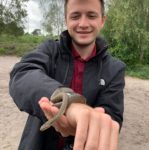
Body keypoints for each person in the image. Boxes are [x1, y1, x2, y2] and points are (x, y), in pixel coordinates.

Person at [9, 0, 126, 149]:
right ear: (66, 20)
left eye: (91, 16)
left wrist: (89, 124)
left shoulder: (116, 69)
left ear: (102, 20)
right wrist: (70, 105)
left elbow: (112, 117)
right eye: (75, 16)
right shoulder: (49, 50)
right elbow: (22, 73)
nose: (83, 23)